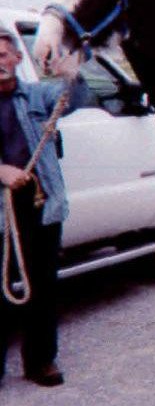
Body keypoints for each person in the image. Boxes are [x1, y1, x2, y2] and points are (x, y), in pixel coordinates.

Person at [0, 26, 87, 387]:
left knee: (42, 284)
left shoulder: (38, 96)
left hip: (39, 201)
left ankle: (40, 362)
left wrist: (73, 72)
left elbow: (77, 96)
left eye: (4, 54)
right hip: (1, 207)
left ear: (18, 58)